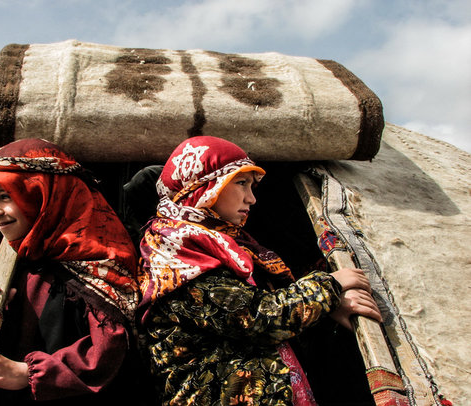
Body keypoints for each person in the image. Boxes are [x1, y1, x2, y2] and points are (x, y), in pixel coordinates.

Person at [137, 136, 382, 405]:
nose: (251, 198)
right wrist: (329, 286)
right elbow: (255, 317)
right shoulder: (175, 251)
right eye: (241, 183)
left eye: (252, 186)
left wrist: (327, 308)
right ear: (205, 186)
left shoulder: (225, 244)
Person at [0, 138, 142, 405]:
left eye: (5, 196)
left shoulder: (101, 262)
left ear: (44, 195)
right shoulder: (20, 264)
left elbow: (112, 349)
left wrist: (28, 372)